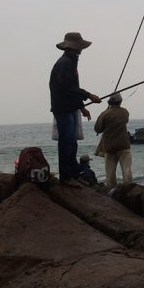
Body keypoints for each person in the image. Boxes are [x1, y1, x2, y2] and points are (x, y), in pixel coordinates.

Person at [49, 32, 101, 185]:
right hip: (63, 109)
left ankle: (72, 174)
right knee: (66, 143)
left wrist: (81, 107)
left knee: (72, 143)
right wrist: (89, 95)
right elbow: (68, 87)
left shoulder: (71, 61)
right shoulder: (65, 63)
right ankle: (66, 178)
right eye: (80, 47)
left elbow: (72, 89)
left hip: (70, 108)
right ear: (74, 47)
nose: (81, 50)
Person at [94, 92, 132, 189]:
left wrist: (104, 113)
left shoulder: (105, 114)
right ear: (120, 102)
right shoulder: (125, 112)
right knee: (126, 170)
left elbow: (97, 129)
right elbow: (125, 120)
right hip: (123, 145)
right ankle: (129, 189)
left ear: (110, 102)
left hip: (109, 147)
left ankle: (111, 191)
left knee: (110, 174)